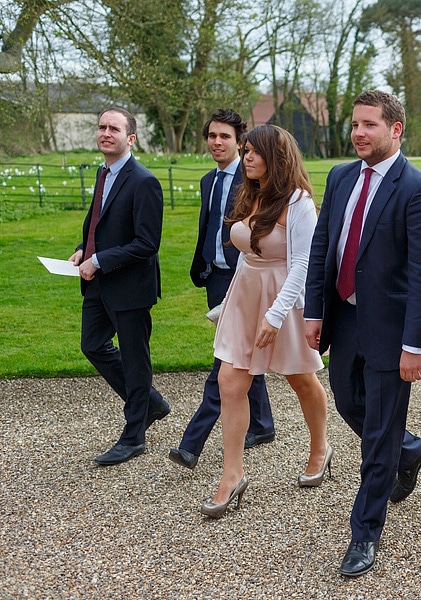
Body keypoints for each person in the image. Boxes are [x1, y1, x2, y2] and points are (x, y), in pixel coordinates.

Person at [304, 90, 421, 577]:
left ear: (395, 130)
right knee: (345, 401)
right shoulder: (341, 176)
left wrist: (415, 346)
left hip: (390, 329)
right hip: (343, 318)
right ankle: (409, 447)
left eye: (370, 125)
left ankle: (364, 532)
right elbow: (324, 245)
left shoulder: (419, 189)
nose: (359, 132)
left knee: (377, 435)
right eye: (356, 125)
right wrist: (314, 310)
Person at [199, 124, 330, 518]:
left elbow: (302, 265)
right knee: (229, 382)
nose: (247, 157)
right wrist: (230, 302)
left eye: (254, 151)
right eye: (245, 150)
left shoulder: (299, 201)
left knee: (300, 379)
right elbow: (247, 252)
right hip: (246, 293)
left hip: (284, 299)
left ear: (277, 156)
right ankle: (232, 475)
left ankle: (320, 447)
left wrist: (274, 315)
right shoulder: (250, 193)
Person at [170, 109, 275, 470]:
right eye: (212, 136)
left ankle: (191, 442)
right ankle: (261, 424)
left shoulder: (253, 182)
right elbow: (209, 226)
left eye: (225, 137)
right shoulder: (207, 180)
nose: (217, 142)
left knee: (227, 360)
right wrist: (201, 263)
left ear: (240, 142)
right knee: (240, 353)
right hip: (215, 276)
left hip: (244, 276)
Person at [69, 107, 170, 466]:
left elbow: (147, 243)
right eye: (101, 127)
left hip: (129, 285)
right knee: (92, 344)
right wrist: (84, 249)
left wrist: (98, 260)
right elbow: (99, 222)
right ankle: (152, 404)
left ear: (131, 138)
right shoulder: (103, 173)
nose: (105, 133)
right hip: (98, 283)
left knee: (134, 358)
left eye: (114, 128)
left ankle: (133, 436)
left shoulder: (144, 181)